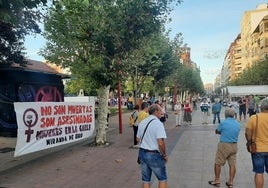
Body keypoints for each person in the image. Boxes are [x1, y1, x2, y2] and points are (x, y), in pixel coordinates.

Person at [137, 104, 168, 188]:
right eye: (160, 111)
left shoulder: (143, 122)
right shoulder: (158, 124)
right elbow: (160, 143)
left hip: (142, 153)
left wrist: (147, 141)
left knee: (146, 180)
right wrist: (164, 155)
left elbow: (137, 139)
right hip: (154, 154)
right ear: (156, 112)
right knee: (162, 178)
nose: (162, 112)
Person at [208, 107, 240, 188]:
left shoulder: (224, 123)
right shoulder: (237, 123)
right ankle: (231, 182)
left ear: (226, 114)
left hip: (224, 145)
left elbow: (217, 131)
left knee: (218, 162)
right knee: (232, 164)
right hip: (234, 145)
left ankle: (217, 180)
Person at [245, 98, 268, 188]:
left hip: (258, 149)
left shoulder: (254, 118)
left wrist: (249, 142)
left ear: (261, 107)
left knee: (259, 172)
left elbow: (247, 133)